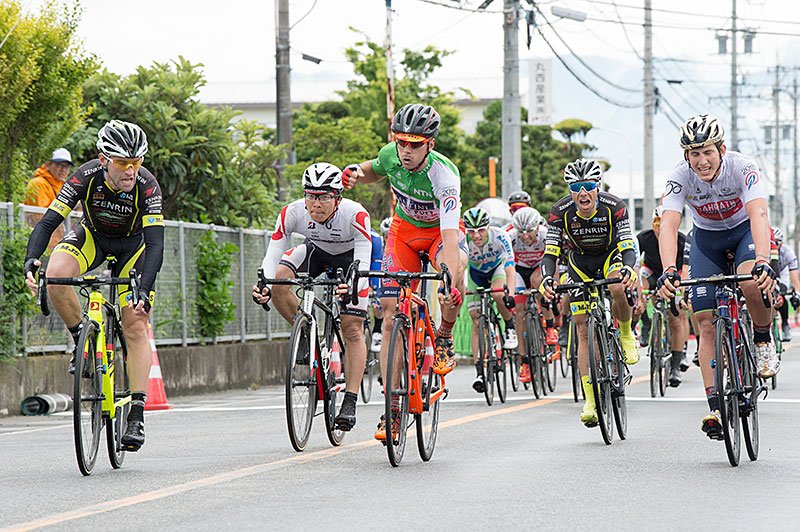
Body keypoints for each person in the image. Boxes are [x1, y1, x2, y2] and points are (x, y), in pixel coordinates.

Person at [24, 120, 163, 452]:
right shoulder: (84, 177)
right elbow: (48, 222)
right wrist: (31, 259)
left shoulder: (147, 186)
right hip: (95, 239)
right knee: (56, 273)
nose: (130, 171)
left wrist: (144, 289)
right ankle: (80, 339)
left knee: (134, 322)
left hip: (135, 249)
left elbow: (156, 245)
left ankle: (137, 413)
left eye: (136, 162)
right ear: (104, 160)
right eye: (122, 163)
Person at [342, 103, 468, 441]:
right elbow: (372, 169)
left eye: (415, 144)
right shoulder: (392, 155)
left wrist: (450, 278)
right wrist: (354, 173)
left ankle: (443, 334)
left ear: (430, 145)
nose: (406, 150)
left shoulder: (445, 176)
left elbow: (451, 237)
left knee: (453, 278)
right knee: (391, 314)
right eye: (402, 143)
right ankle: (392, 409)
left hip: (441, 235)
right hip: (403, 234)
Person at [656, 114, 777, 441]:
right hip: (706, 241)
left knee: (751, 281)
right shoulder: (680, 177)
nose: (702, 160)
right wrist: (669, 270)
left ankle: (763, 339)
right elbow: (669, 224)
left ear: (721, 149)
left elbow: (759, 213)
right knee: (705, 321)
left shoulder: (742, 167)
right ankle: (716, 406)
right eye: (694, 154)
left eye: (707, 151)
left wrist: (763, 259)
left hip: (742, 235)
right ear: (687, 157)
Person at [252, 162, 371, 432]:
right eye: (311, 195)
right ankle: (305, 334)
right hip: (316, 251)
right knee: (280, 278)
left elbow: (363, 260)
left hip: (353, 258)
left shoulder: (356, 214)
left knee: (352, 327)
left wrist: (353, 282)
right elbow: (273, 254)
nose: (316, 203)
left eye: (324, 196)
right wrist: (265, 285)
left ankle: (350, 400)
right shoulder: (291, 212)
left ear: (338, 198)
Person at [539, 158, 639, 428]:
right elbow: (551, 252)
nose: (582, 193)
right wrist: (547, 278)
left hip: (610, 256)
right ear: (570, 189)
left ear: (598, 186)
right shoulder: (559, 211)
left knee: (617, 283)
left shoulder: (614, 206)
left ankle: (627, 333)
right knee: (583, 329)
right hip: (579, 262)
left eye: (588, 186)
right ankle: (591, 399)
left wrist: (629, 268)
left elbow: (627, 245)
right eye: (576, 187)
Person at [463, 207, 518, 393]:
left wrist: (510, 294)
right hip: (475, 274)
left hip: (496, 270)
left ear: (488, 227)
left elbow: (510, 268)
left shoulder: (500, 236)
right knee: (476, 319)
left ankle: (509, 326)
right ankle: (479, 370)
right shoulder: (462, 241)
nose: (476, 235)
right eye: (471, 231)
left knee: (497, 294)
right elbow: (457, 268)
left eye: (480, 230)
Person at [634, 206, 688, 387]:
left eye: (663, 223)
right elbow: (634, 263)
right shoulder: (644, 238)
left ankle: (675, 365)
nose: (660, 228)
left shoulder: (681, 240)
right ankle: (647, 323)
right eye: (657, 223)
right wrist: (640, 294)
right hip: (652, 273)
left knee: (676, 318)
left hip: (675, 275)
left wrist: (680, 295)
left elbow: (685, 270)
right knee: (639, 284)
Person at [507, 206, 550, 383]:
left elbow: (553, 261)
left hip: (539, 268)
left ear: (537, 227)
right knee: (519, 310)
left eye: (530, 232)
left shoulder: (546, 235)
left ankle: (550, 326)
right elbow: (505, 265)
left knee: (540, 281)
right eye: (521, 232)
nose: (525, 236)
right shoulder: (509, 236)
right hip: (518, 270)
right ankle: (524, 361)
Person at [772, 227, 800, 341]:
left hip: (782, 272)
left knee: (781, 294)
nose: (773, 245)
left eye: (776, 243)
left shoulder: (787, 252)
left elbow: (794, 276)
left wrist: (797, 293)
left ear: (781, 244)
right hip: (769, 270)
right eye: (771, 242)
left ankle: (785, 324)